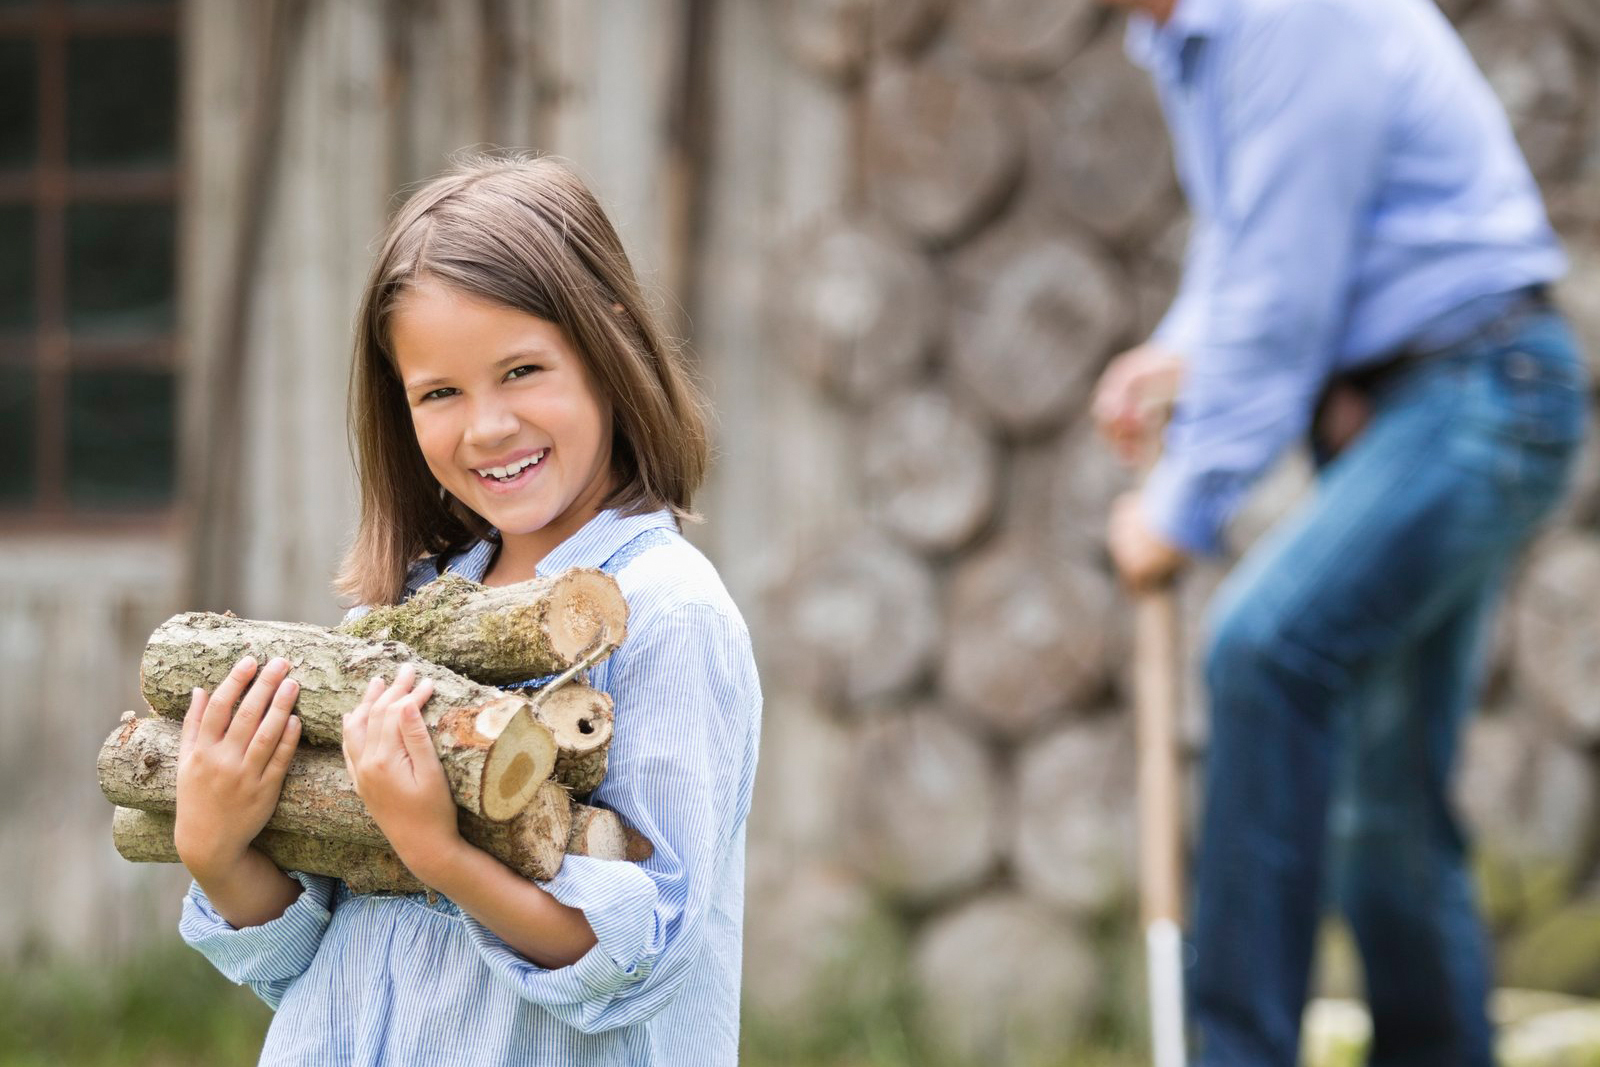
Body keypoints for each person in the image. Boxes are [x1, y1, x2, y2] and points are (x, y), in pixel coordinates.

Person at [171, 153, 762, 1066]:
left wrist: (440, 853)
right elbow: (308, 961)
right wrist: (217, 848)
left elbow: (638, 962)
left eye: (521, 369)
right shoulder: (415, 607)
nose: (486, 426)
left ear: (609, 349)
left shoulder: (667, 614)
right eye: (440, 392)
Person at [1090, 0, 1588, 1064]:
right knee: (1387, 808)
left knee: (1263, 650)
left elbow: (1281, 303)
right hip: (1426, 403)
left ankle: (1239, 1049)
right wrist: (1177, 350)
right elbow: (1249, 234)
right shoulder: (1191, 38)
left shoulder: (1289, 13)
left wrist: (1179, 510)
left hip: (1476, 391)